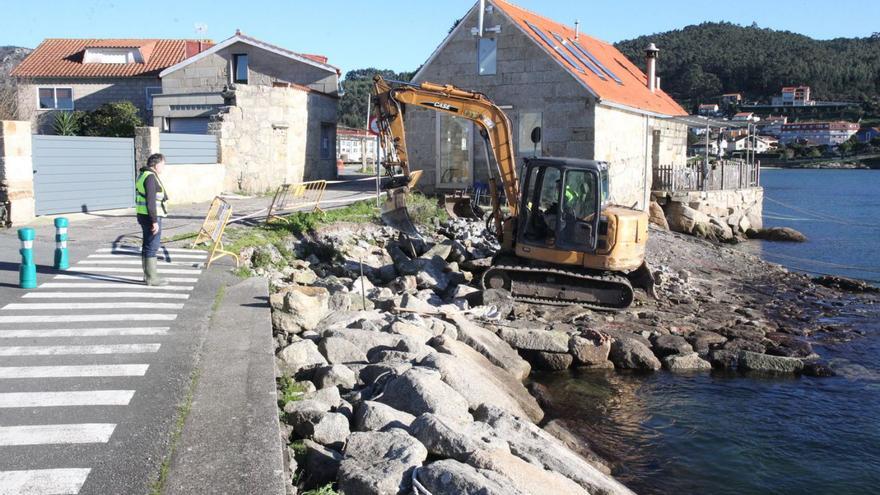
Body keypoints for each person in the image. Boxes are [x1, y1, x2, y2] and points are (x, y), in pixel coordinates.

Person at [135, 153, 169, 286]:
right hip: (150, 217)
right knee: (152, 246)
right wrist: (154, 221)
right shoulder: (150, 177)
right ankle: (151, 278)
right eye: (163, 164)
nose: (164, 167)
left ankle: (147, 275)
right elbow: (150, 201)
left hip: (143, 215)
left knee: (147, 245)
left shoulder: (144, 174)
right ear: (157, 164)